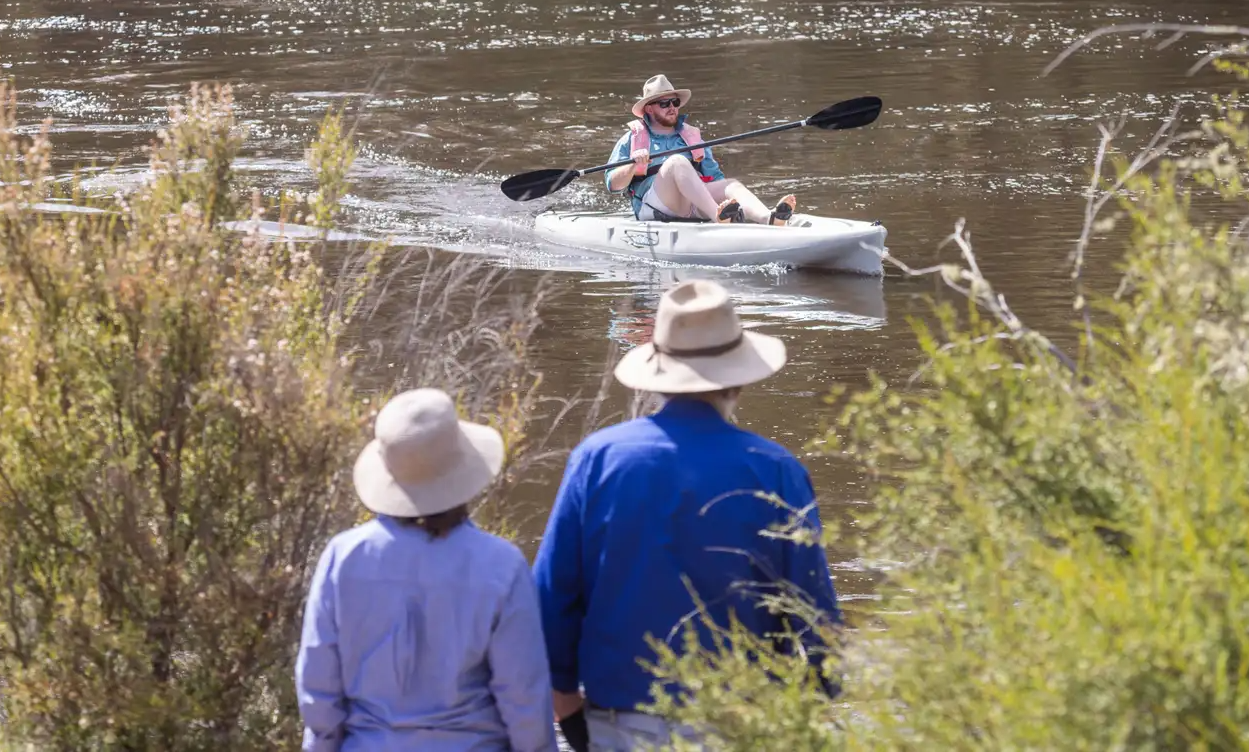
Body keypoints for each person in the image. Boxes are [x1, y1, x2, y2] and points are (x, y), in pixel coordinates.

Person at [533, 279, 841, 751]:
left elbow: (552, 599)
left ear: (658, 371)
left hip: (620, 722)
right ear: (738, 377)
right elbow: (812, 615)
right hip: (739, 720)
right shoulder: (777, 471)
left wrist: (568, 711)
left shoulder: (598, 459)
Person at [296, 388, 557, 752]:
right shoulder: (501, 566)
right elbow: (524, 697)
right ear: (463, 470)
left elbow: (318, 688)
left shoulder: (344, 558)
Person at [606, 75, 797, 225]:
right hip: (654, 205)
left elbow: (714, 178)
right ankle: (718, 218)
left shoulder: (692, 137)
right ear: (648, 109)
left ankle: (768, 218)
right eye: (664, 104)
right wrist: (632, 166)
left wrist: (725, 195)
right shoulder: (632, 139)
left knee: (731, 185)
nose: (672, 107)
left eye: (675, 102)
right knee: (677, 162)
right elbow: (612, 185)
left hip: (692, 203)